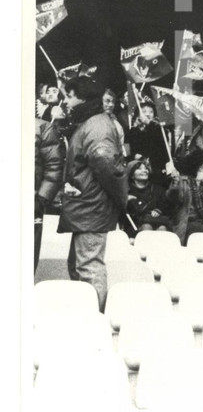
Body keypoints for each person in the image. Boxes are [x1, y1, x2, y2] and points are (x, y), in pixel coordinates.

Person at [58, 76, 129, 311]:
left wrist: (120, 200)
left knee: (88, 268)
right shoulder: (93, 123)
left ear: (84, 99)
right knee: (79, 266)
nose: (66, 101)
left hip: (91, 208)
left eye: (70, 96)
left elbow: (106, 165)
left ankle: (94, 318)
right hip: (88, 207)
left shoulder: (96, 126)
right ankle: (86, 315)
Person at [34, 116, 65, 272]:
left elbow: (54, 166)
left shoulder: (42, 127)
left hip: (31, 202)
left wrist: (41, 198)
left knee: (27, 253)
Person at [124, 101, 170, 187]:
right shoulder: (131, 132)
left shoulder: (160, 130)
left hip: (156, 172)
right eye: (144, 111)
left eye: (151, 112)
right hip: (138, 172)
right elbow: (127, 153)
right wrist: (134, 156)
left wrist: (148, 123)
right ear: (138, 115)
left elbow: (163, 150)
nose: (148, 114)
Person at [123, 157, 171, 236]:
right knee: (146, 227)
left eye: (146, 168)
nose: (144, 170)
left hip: (157, 223)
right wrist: (125, 200)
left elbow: (166, 206)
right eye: (139, 169)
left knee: (162, 229)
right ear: (132, 175)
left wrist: (158, 210)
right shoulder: (127, 192)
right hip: (136, 228)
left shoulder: (157, 189)